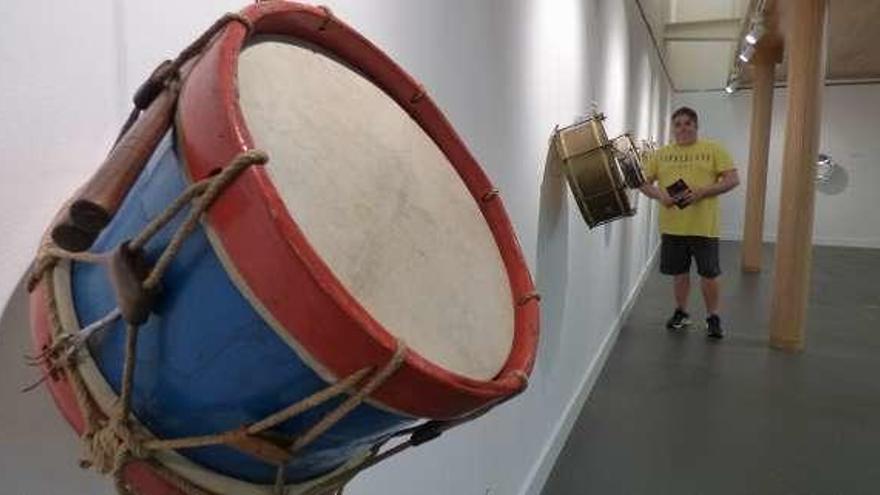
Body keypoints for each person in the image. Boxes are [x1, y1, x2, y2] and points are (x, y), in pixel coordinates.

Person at [639, 107, 739, 338]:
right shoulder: (661, 154)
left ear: (696, 126)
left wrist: (704, 191)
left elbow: (733, 179)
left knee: (709, 274)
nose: (683, 128)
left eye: (687, 124)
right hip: (673, 226)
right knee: (679, 273)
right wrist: (659, 195)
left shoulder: (713, 149)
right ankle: (681, 312)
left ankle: (713, 317)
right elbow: (643, 183)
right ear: (673, 128)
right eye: (678, 124)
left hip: (704, 226)